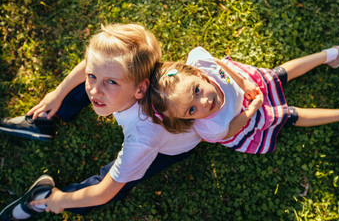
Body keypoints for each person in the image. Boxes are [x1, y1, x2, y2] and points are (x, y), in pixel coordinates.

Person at [0, 23, 201, 220]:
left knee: (119, 178)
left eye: (111, 81)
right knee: (98, 85)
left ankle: (49, 197)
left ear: (140, 89)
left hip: (170, 148)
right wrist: (58, 94)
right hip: (131, 102)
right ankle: (45, 119)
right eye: (92, 76)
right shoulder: (124, 79)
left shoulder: (142, 138)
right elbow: (90, 64)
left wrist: (61, 201)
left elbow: (104, 191)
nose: (95, 90)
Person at [144, 39, 339, 154]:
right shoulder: (210, 127)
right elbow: (230, 130)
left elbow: (217, 63)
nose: (204, 102)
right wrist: (251, 110)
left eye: (197, 91)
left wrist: (242, 82)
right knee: (289, 115)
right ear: (186, 119)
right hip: (249, 117)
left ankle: (334, 54)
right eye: (191, 110)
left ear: (198, 74)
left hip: (244, 87)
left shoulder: (201, 64)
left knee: (279, 74)